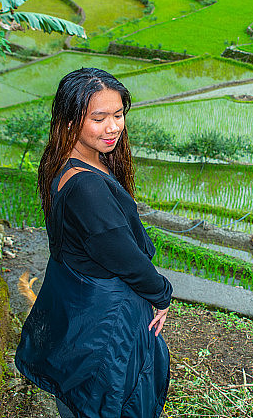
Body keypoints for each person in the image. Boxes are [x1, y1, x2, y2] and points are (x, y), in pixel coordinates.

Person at [15, 68, 173, 418]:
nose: (114, 127)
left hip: (81, 304)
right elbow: (124, 255)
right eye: (99, 118)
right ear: (70, 121)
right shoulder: (87, 187)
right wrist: (162, 293)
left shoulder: (66, 162)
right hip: (107, 316)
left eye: (118, 115)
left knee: (83, 392)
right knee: (113, 397)